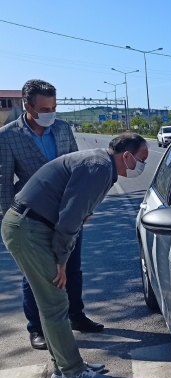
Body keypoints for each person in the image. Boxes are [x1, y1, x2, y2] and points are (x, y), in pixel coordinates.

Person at [1, 133, 148, 378]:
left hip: (32, 225)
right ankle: (73, 375)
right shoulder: (99, 167)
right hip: (29, 229)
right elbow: (70, 218)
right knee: (55, 304)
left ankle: (64, 366)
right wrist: (61, 259)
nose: (142, 165)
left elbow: (76, 210)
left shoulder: (100, 163)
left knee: (55, 302)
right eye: (142, 159)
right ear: (126, 156)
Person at [0, 79, 103, 351]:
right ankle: (36, 329)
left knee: (72, 268)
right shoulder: (9, 136)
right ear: (28, 107)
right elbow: (4, 183)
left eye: (54, 106)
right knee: (35, 276)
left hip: (67, 213)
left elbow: (78, 169)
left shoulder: (62, 129)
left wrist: (85, 207)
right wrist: (11, 221)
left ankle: (76, 315)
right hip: (32, 219)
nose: (51, 113)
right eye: (45, 108)